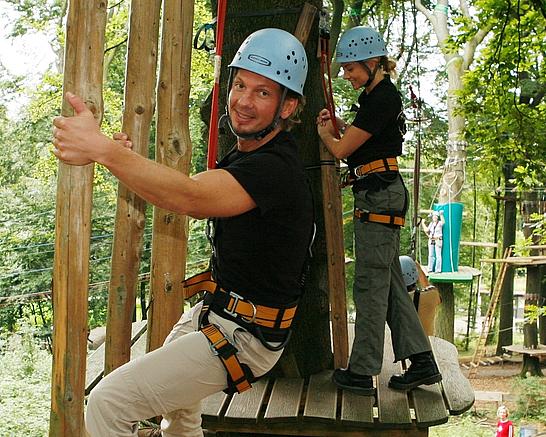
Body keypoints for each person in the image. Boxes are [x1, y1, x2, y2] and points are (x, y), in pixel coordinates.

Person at [52, 28, 314, 437]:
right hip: (218, 314)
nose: (244, 101)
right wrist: (117, 157)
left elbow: (189, 197)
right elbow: (190, 187)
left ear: (287, 106)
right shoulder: (253, 155)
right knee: (180, 419)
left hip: (246, 334)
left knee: (109, 402)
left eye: (263, 93)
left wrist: (104, 150)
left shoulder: (274, 168)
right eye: (240, 84)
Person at [316, 26, 441, 395]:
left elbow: (341, 150)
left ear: (373, 63)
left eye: (351, 68)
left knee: (370, 284)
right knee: (386, 285)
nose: (346, 75)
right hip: (379, 193)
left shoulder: (383, 97)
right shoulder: (375, 99)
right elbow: (362, 140)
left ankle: (362, 370)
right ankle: (421, 361)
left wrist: (326, 133)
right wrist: (339, 126)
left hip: (380, 196)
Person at [399, 255, 441, 336]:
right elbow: (427, 285)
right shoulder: (431, 296)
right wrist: (418, 268)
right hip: (425, 346)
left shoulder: (391, 300)